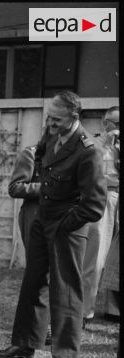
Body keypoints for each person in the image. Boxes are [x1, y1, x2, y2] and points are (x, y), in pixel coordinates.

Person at [0, 91, 107, 358]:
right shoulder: (52, 137)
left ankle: (65, 355)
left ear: (75, 117)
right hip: (43, 220)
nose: (51, 123)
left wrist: (65, 224)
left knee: (66, 289)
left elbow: (94, 205)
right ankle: (24, 344)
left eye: (57, 119)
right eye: (49, 117)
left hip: (68, 226)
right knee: (33, 282)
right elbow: (43, 166)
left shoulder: (89, 150)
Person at [8, 137, 52, 346]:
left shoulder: (74, 155)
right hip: (34, 216)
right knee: (37, 275)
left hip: (64, 218)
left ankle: (50, 327)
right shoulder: (31, 153)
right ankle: (36, 331)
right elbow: (15, 187)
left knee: (59, 276)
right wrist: (48, 187)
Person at [82, 106, 120, 328]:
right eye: (115, 124)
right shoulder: (94, 144)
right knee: (95, 256)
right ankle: (85, 310)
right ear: (105, 124)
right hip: (104, 197)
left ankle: (114, 309)